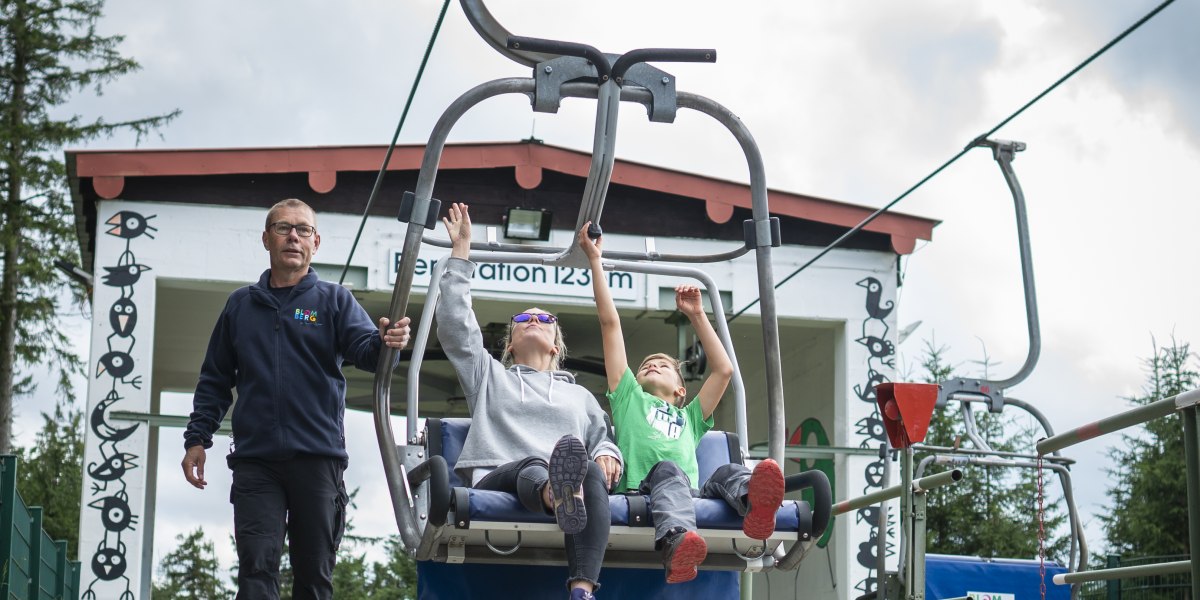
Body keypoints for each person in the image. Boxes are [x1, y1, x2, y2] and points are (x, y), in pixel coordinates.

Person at [181, 198, 412, 600]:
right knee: (255, 570)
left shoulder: (334, 300)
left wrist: (388, 342)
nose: (293, 236)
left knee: (314, 577)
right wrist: (197, 439)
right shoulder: (240, 306)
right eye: (283, 228)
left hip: (318, 459)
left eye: (303, 230)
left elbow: (367, 351)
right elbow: (215, 379)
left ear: (315, 242)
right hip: (256, 462)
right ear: (266, 238)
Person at [579, 222, 786, 584]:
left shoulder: (689, 417)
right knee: (668, 470)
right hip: (645, 486)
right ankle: (677, 545)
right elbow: (610, 324)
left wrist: (698, 315)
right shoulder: (628, 399)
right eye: (647, 365)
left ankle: (756, 504)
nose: (653, 364)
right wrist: (596, 261)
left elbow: (723, 371)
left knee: (725, 472)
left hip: (691, 491)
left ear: (680, 391)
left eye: (665, 366)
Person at [437, 203, 621, 600]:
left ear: (556, 344)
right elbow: (455, 327)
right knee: (540, 464)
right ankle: (554, 492)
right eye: (522, 319)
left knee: (584, 466)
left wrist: (609, 454)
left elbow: (602, 437)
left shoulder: (580, 396)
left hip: (568, 475)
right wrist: (461, 252)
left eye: (544, 318)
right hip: (500, 477)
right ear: (509, 343)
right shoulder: (490, 376)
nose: (533, 320)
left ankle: (583, 589)